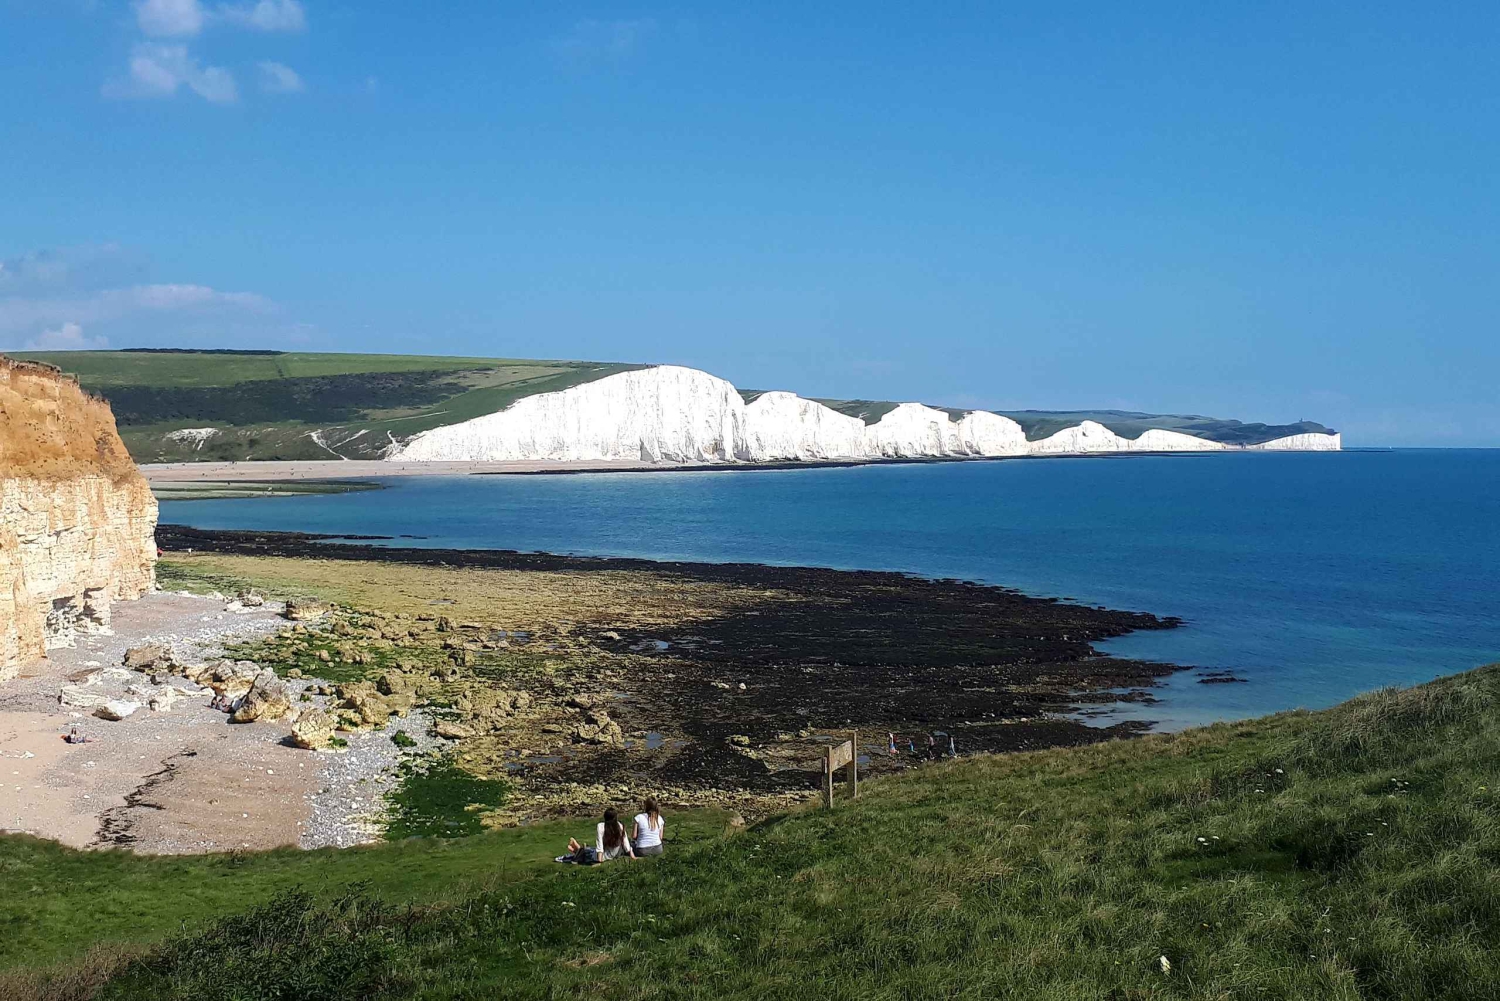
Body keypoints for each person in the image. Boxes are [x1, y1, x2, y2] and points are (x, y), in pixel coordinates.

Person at [559, 806, 635, 863]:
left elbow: (600, 846)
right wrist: (632, 856)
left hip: (604, 855)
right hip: (615, 854)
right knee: (590, 849)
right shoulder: (620, 826)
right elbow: (626, 844)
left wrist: (600, 859)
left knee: (588, 852)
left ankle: (577, 849)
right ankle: (577, 848)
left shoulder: (601, 826)